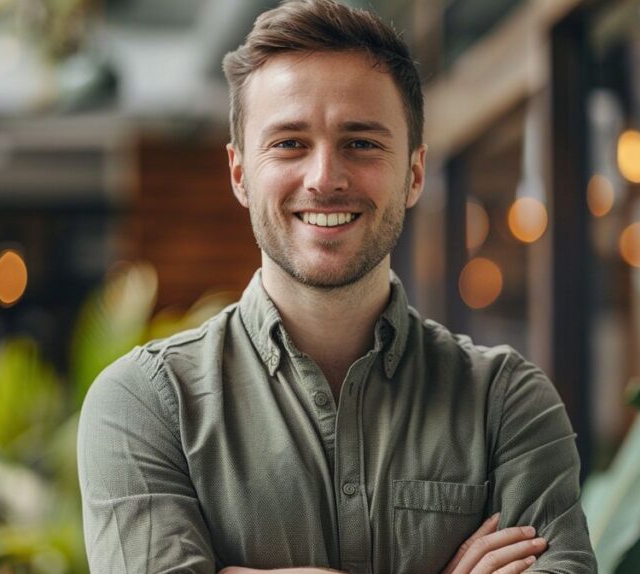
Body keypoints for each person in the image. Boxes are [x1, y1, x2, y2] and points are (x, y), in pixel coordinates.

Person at [77, 1, 597, 572]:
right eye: (289, 143)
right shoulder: (147, 404)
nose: (325, 178)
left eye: (362, 143)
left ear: (415, 174)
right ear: (239, 173)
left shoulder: (506, 403)